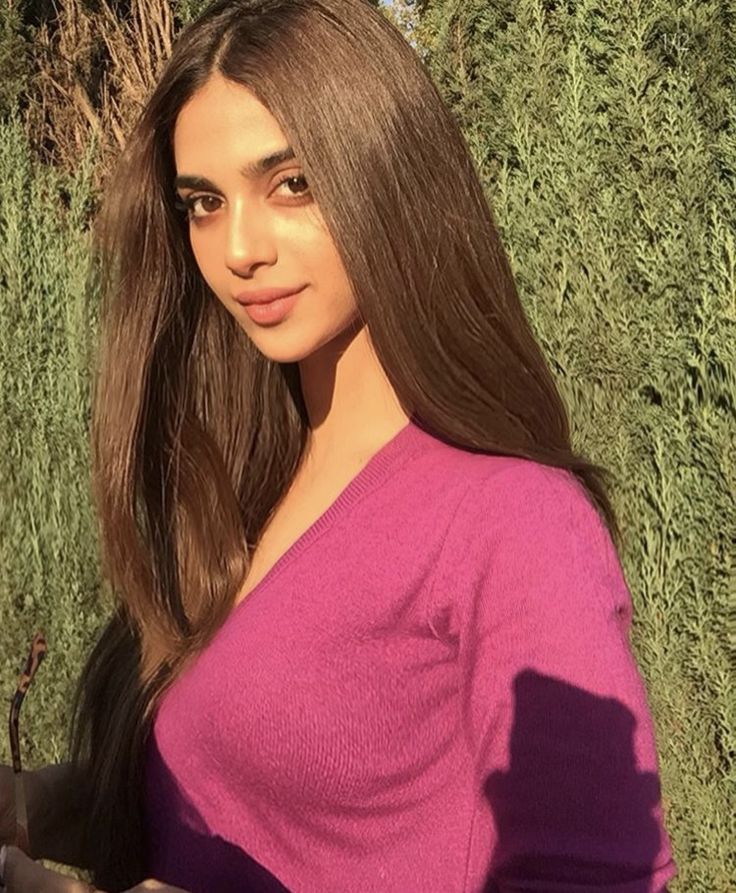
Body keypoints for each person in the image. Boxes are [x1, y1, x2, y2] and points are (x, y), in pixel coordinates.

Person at [0, 0, 678, 891]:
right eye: (204, 202)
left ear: (388, 181)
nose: (238, 247)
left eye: (292, 184)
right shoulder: (249, 483)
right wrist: (30, 808)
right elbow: (223, 797)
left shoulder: (512, 522)